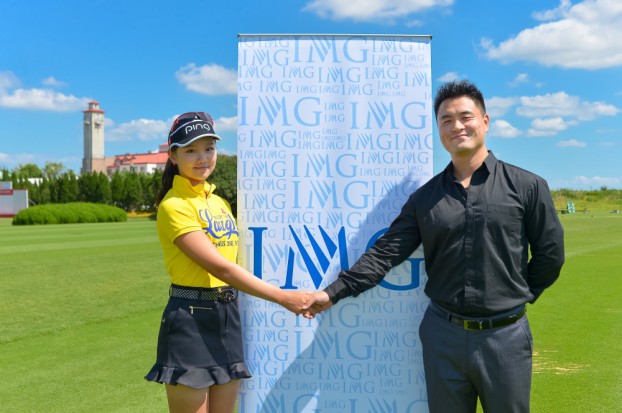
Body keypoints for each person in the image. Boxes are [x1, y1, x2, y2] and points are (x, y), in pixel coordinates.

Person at [306, 80, 565, 413]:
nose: (457, 126)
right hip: (443, 336)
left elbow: (550, 254)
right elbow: (385, 253)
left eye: (465, 117)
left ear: (485, 121)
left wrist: (516, 294)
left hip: (505, 337)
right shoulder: (424, 199)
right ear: (439, 130)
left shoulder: (527, 186)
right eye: (446, 120)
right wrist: (332, 293)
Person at [145, 112, 313, 413]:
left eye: (209, 148)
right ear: (173, 156)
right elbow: (221, 268)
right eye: (190, 150)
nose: (202, 158)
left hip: (227, 316)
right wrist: (283, 297)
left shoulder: (219, 202)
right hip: (191, 319)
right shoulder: (173, 206)